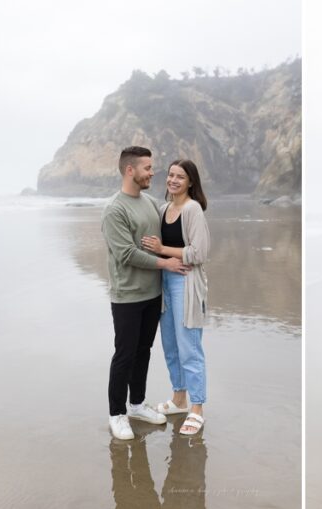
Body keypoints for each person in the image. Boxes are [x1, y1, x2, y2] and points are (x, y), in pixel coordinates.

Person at [102, 146, 191, 440]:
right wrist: (165, 262)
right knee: (124, 354)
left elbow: (175, 217)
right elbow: (126, 253)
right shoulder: (115, 209)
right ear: (131, 170)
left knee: (144, 352)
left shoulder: (151, 203)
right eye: (148, 168)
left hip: (153, 295)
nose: (153, 173)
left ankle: (137, 404)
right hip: (127, 296)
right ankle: (117, 414)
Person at [141, 159, 211, 435]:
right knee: (170, 345)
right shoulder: (163, 209)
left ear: (190, 182)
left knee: (189, 347)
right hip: (164, 283)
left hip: (186, 281)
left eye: (180, 176)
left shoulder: (193, 210)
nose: (173, 180)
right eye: (170, 175)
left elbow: (199, 253)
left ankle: (197, 408)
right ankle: (179, 399)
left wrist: (162, 248)